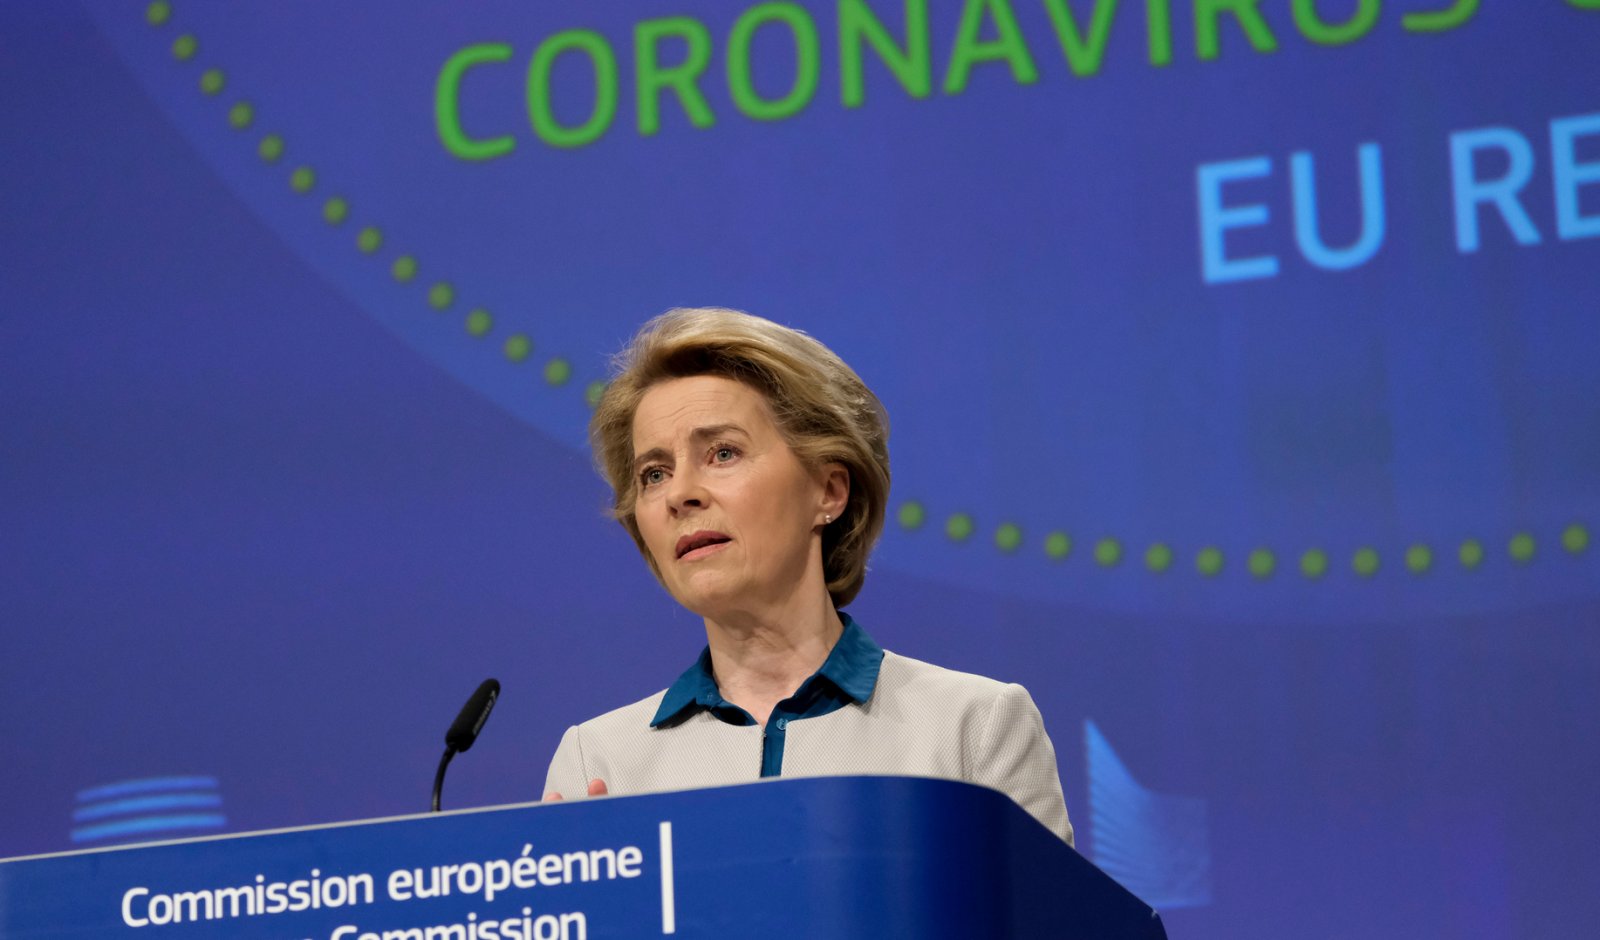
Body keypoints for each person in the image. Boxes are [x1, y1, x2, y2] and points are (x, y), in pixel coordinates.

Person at [541, 307, 1073, 844]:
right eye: (654, 474)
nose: (680, 495)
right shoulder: (598, 765)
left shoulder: (971, 730)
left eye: (723, 453)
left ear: (829, 491)